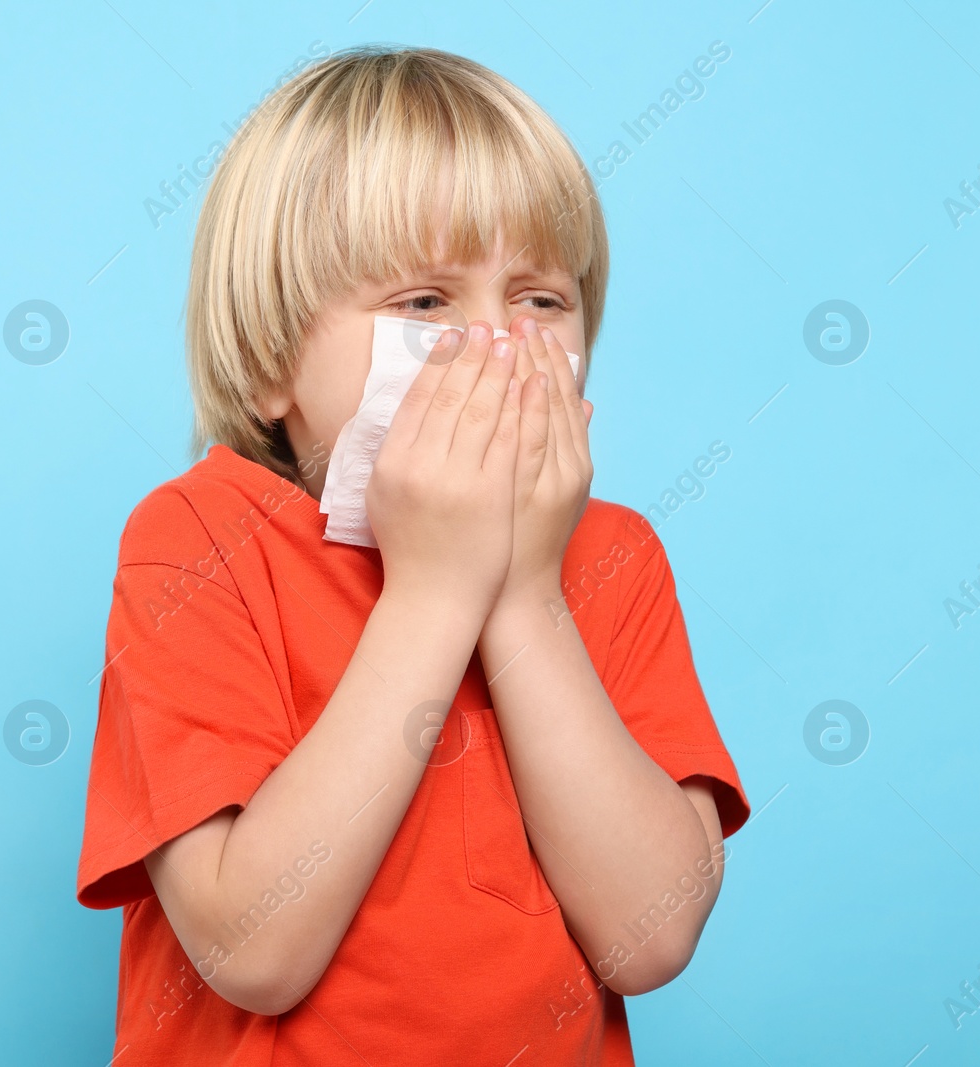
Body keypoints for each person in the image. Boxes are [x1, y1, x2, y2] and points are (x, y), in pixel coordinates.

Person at [75, 44, 750, 1065]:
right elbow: (253, 950)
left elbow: (650, 934)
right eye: (425, 303)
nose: (495, 344)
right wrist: (435, 590)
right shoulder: (196, 542)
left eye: (540, 300)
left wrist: (522, 592)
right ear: (270, 363)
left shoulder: (613, 557)